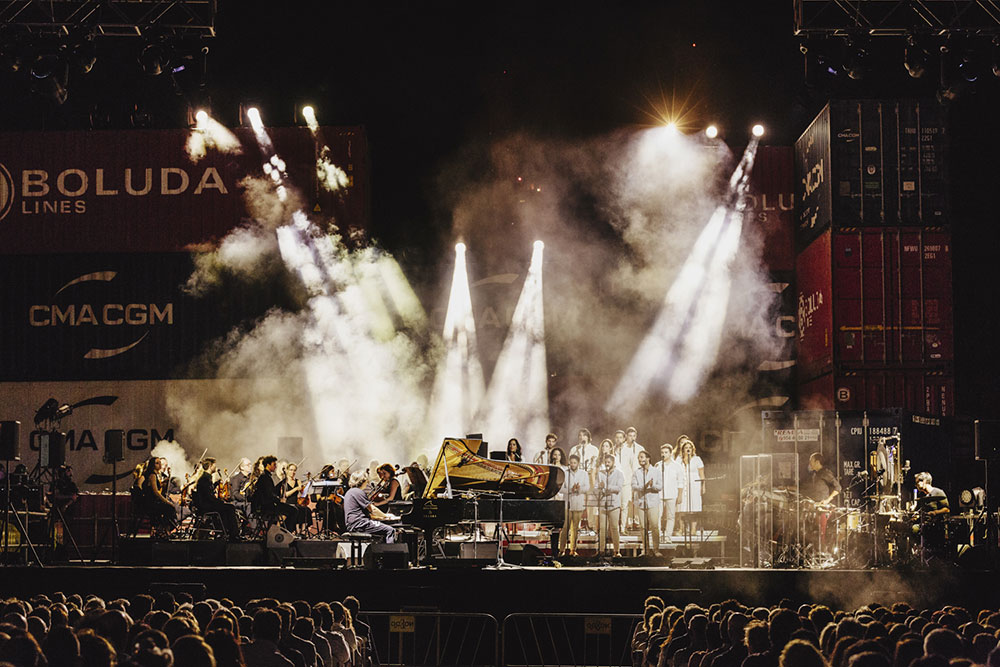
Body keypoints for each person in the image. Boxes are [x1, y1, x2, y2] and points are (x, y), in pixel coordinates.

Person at [192, 457, 240, 541]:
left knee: (225, 508)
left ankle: (225, 532)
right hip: (206, 506)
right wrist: (220, 502)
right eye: (214, 465)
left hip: (207, 504)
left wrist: (215, 484)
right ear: (210, 466)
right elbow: (208, 497)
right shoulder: (204, 479)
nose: (216, 467)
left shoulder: (205, 478)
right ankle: (234, 534)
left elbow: (207, 492)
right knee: (230, 507)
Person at [342, 471, 397, 543]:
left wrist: (381, 517)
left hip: (354, 524)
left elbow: (365, 514)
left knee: (382, 529)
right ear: (363, 481)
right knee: (390, 530)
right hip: (361, 524)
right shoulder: (358, 492)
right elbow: (373, 509)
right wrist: (385, 516)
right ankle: (390, 553)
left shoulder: (349, 492)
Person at [803, 452, 841, 553]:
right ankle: (816, 552)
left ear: (817, 462)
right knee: (814, 532)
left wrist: (827, 500)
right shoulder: (815, 475)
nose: (809, 463)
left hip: (823, 509)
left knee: (821, 533)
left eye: (811, 461)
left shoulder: (825, 473)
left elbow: (838, 487)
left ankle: (823, 553)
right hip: (815, 508)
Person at [252, 456, 297, 530]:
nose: (275, 467)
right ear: (268, 465)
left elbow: (271, 492)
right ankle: (287, 531)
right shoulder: (265, 477)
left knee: (291, 509)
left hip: (267, 504)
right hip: (266, 506)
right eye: (274, 465)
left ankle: (279, 530)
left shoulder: (266, 476)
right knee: (293, 510)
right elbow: (269, 495)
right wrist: (279, 500)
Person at [632, 450, 662, 556]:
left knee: (654, 526)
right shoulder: (637, 472)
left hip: (653, 502)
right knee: (643, 527)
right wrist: (643, 487)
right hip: (641, 502)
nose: (640, 460)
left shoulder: (656, 471)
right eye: (639, 458)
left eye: (642, 457)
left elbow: (660, 486)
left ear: (648, 458)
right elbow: (634, 486)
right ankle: (645, 549)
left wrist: (652, 486)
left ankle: (656, 549)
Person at [558, 453, 590, 556]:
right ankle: (561, 550)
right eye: (571, 463)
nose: (572, 464)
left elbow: (587, 487)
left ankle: (573, 550)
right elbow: (561, 488)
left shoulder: (584, 473)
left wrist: (579, 489)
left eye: (574, 463)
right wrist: (571, 490)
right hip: (568, 503)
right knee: (565, 528)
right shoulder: (565, 473)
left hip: (578, 504)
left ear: (578, 463)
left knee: (575, 528)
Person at [595, 453, 624, 558]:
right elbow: (596, 487)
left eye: (609, 462)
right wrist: (600, 488)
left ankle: (617, 551)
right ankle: (601, 550)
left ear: (613, 463)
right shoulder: (600, 473)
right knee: (602, 528)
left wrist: (606, 487)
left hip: (614, 504)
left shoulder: (619, 474)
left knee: (614, 528)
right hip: (603, 504)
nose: (607, 464)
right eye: (605, 462)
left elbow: (618, 488)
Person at [654, 443, 684, 540]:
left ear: (671, 453)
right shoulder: (658, 465)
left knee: (670, 516)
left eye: (666, 452)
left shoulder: (677, 466)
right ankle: (657, 535)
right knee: (658, 516)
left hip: (672, 494)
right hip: (659, 494)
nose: (664, 454)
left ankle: (667, 536)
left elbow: (680, 482)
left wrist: (680, 495)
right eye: (662, 452)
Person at [676, 435, 705, 534]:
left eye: (690, 448)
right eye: (686, 448)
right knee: (681, 508)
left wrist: (703, 486)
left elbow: (702, 475)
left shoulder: (697, 459)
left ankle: (693, 529)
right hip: (682, 485)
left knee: (693, 508)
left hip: (694, 485)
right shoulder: (678, 460)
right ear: (683, 450)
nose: (688, 449)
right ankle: (682, 529)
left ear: (692, 449)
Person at [142, 456, 177, 534]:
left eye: (160, 463)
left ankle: (163, 529)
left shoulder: (154, 475)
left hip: (152, 502)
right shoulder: (152, 475)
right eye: (157, 463)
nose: (160, 465)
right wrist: (167, 502)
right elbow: (156, 492)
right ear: (153, 465)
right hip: (151, 503)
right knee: (170, 508)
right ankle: (165, 529)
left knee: (170, 508)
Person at [620, 426, 646, 530]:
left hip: (637, 478)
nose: (632, 438)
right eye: (630, 436)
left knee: (637, 501)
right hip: (626, 478)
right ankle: (627, 523)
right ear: (626, 436)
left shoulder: (640, 448)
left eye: (634, 436)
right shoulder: (622, 448)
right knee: (626, 502)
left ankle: (637, 522)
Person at [278, 463, 313, 535]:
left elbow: (303, 493)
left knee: (306, 510)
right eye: (291, 470)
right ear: (287, 470)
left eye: (294, 470)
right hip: (287, 503)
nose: (293, 472)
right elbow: (285, 494)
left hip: (296, 503)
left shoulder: (298, 481)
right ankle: (296, 529)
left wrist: (306, 486)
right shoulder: (283, 482)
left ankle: (303, 530)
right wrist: (296, 488)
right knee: (296, 510)